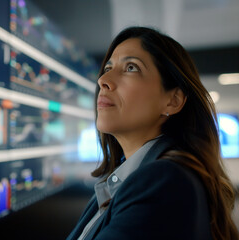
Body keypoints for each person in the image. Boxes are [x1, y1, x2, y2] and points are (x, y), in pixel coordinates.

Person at [66, 27, 239, 240]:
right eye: (108, 67)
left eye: (131, 67)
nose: (104, 80)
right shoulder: (122, 181)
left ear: (173, 101)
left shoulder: (163, 180)